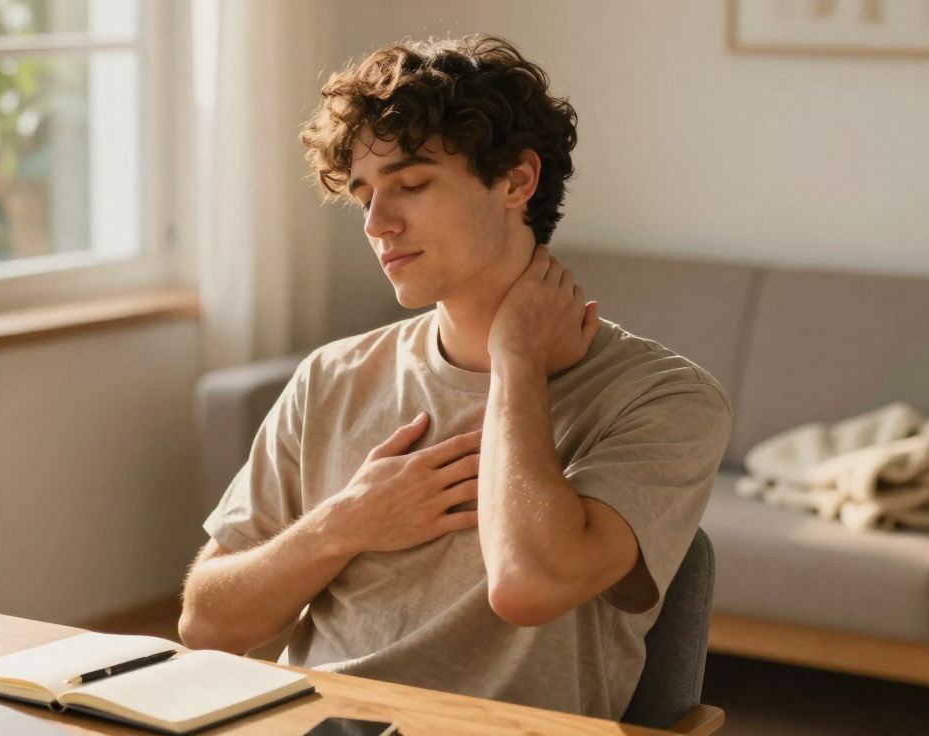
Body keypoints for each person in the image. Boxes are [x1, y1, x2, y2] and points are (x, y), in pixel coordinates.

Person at [178, 34, 732, 721]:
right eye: (364, 196)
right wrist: (342, 525)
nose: (378, 224)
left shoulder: (665, 398)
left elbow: (528, 586)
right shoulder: (331, 377)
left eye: (411, 185)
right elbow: (206, 624)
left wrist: (518, 362)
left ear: (517, 181)